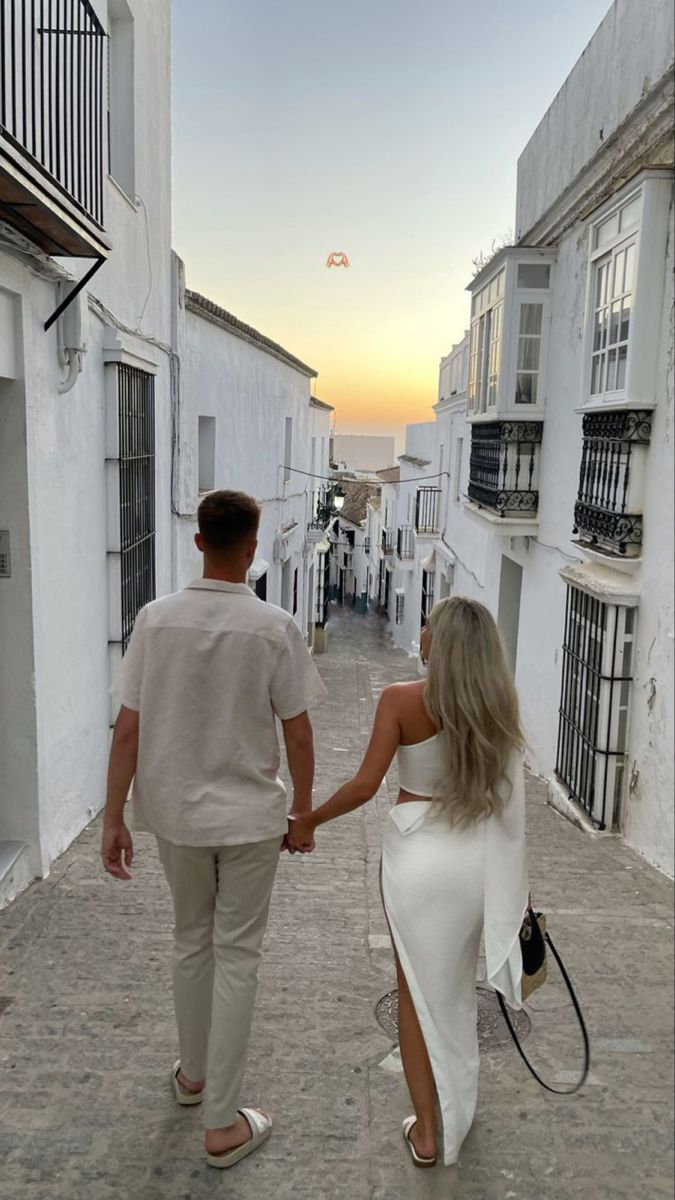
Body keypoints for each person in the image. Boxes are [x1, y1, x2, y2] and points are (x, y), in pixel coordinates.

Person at [101, 489, 326, 1169]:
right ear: (252, 548)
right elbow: (299, 733)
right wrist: (304, 811)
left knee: (190, 941)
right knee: (238, 954)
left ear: (198, 541)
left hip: (176, 815)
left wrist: (114, 816)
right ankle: (223, 1122)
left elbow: (129, 729)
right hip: (252, 817)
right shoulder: (275, 627)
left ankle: (193, 1076)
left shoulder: (155, 620)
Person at [291, 596, 528, 1168]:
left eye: (428, 624)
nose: (420, 631)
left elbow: (365, 785)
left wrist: (309, 819)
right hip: (473, 866)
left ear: (440, 642)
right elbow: (510, 807)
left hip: (418, 862)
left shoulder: (401, 700)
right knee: (452, 994)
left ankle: (427, 1131)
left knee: (416, 995)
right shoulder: (498, 709)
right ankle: (456, 1105)